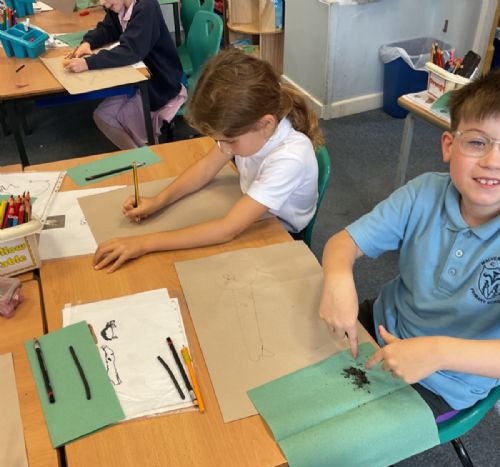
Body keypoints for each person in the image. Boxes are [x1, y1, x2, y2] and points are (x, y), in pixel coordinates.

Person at [320, 69, 500, 416]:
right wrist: (337, 277)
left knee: (343, 429)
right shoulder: (424, 193)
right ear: (449, 146)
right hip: (385, 323)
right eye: (477, 142)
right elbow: (343, 243)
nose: (492, 161)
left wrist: (438, 353)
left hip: (447, 378)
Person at [93, 49, 324, 273]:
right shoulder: (251, 130)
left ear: (266, 124)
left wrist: (144, 243)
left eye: (229, 141)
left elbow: (226, 229)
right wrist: (158, 201)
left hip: (280, 232)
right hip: (251, 206)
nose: (224, 148)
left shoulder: (289, 158)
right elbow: (205, 168)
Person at [63, 0, 186, 149]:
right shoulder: (119, 6)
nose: (103, 3)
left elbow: (131, 51)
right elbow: (107, 29)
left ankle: (146, 155)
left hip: (159, 82)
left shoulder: (147, 7)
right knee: (102, 116)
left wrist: (88, 63)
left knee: (111, 117)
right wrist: (88, 43)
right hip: (138, 77)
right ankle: (140, 154)